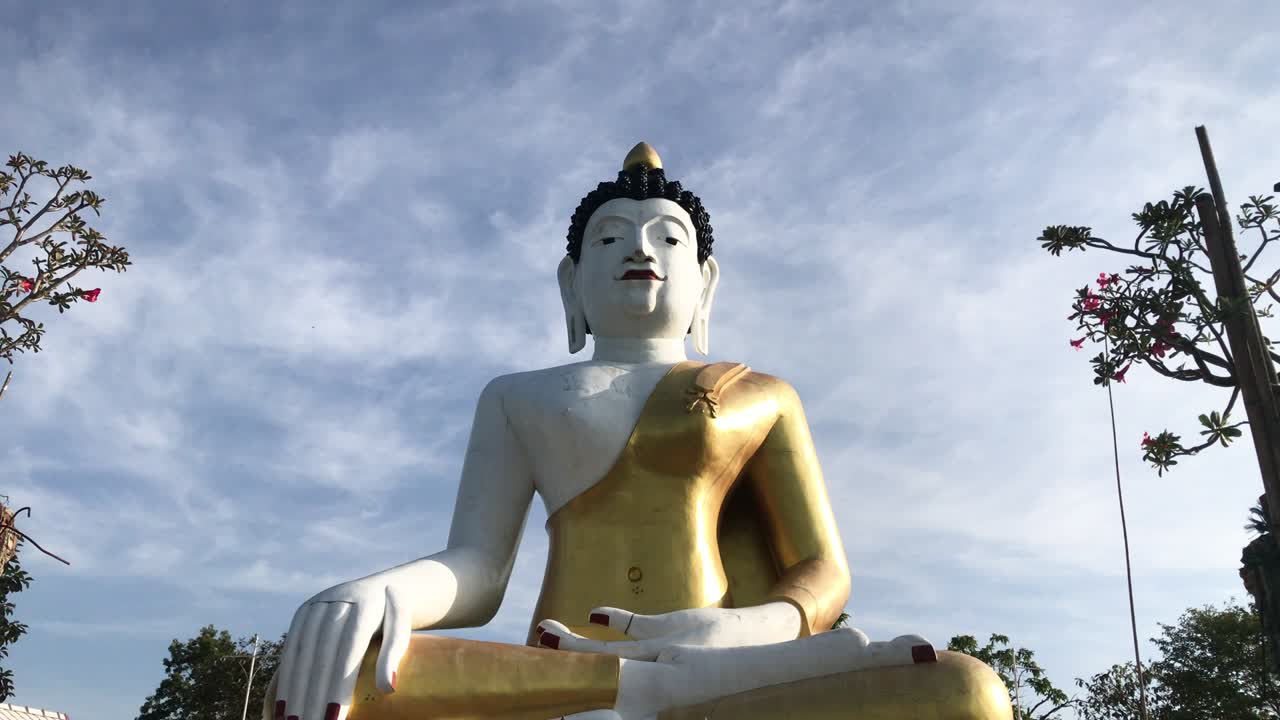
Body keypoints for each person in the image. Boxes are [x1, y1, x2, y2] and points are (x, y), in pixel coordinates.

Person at [264, 143, 1012, 720]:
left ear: (706, 282)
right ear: (572, 281)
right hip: (558, 675)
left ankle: (670, 686)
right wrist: (378, 593)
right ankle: (639, 688)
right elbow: (479, 570)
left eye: (668, 238)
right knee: (333, 677)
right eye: (611, 238)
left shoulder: (761, 396)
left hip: (730, 669)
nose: (640, 251)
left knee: (967, 693)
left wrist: (746, 630)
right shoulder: (517, 396)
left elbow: (821, 572)